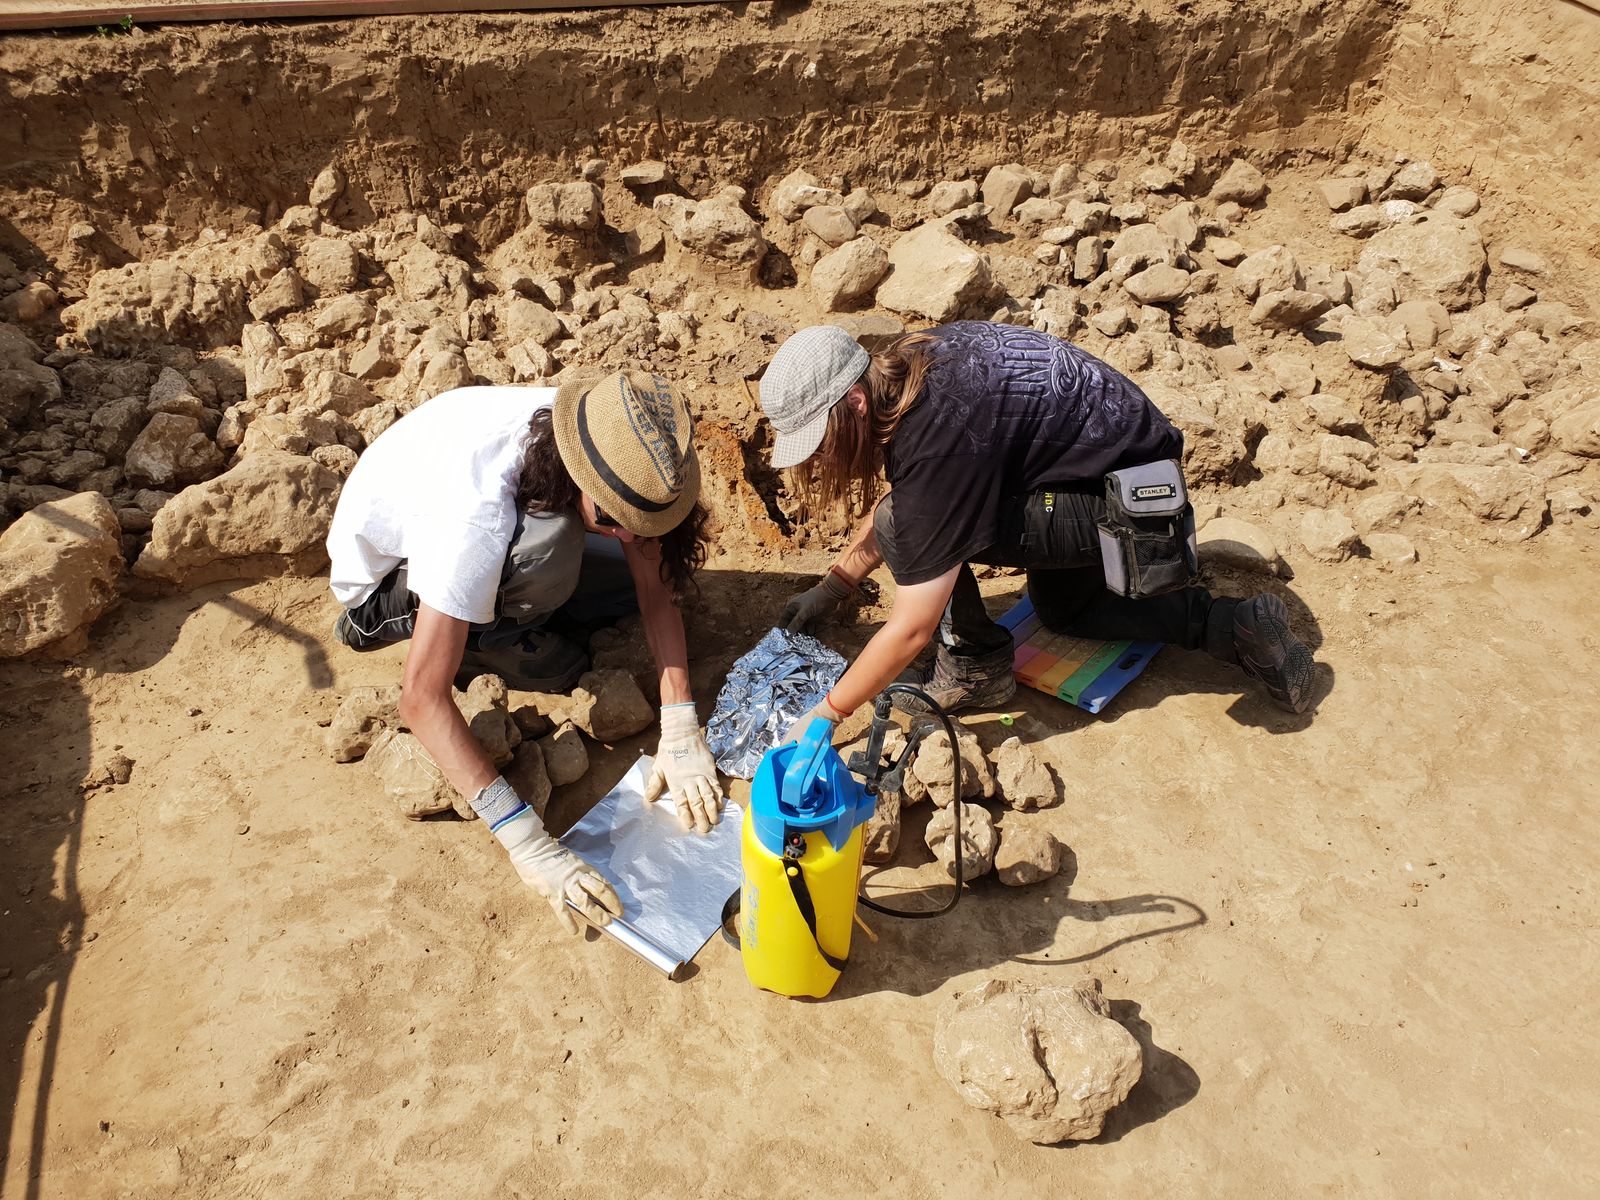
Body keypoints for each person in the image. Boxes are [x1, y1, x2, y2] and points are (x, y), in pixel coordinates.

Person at [758, 322, 1317, 737]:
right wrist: (834, 585)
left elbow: (911, 621)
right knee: (1065, 612)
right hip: (1113, 479)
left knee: (906, 523)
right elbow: (923, 494)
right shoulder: (911, 364)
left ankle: (976, 668)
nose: (823, 456)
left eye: (821, 439)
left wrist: (825, 715)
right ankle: (1235, 625)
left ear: (853, 401)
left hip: (1137, 510)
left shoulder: (941, 430)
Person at [325, 371, 725, 936]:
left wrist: (681, 725)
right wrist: (529, 844)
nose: (629, 535)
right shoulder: (474, 518)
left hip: (479, 524)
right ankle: (485, 642)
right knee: (551, 569)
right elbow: (420, 699)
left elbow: (652, 576)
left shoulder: (606, 437)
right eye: (611, 517)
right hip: (381, 589)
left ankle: (517, 598)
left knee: (619, 577)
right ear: (580, 479)